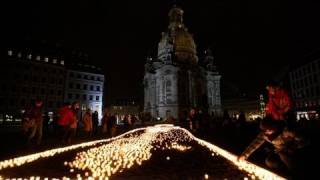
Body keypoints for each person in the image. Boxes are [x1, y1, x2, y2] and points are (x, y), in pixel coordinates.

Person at [238, 118, 310, 174]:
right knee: (270, 161)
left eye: (268, 130)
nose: (266, 132)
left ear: (274, 127)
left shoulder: (286, 132)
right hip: (278, 152)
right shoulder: (265, 134)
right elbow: (255, 143)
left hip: (292, 152)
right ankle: (282, 172)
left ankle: (294, 173)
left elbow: (305, 141)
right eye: (264, 131)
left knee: (286, 158)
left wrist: (289, 147)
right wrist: (244, 155)